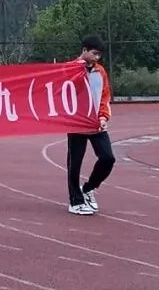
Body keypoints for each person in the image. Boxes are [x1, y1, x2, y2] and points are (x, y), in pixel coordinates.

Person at [67, 35, 115, 216]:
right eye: (94, 53)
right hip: (77, 123)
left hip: (96, 122)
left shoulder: (100, 71)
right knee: (74, 164)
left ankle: (88, 188)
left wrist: (103, 117)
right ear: (84, 50)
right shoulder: (69, 69)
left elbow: (104, 95)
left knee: (108, 158)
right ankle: (75, 201)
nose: (97, 58)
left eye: (99, 55)